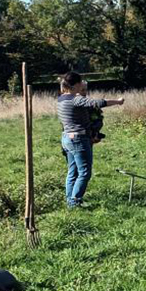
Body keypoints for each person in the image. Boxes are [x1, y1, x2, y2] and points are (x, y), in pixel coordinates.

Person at [56, 72, 124, 209]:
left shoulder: (61, 99)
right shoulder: (75, 100)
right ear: (75, 84)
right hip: (78, 139)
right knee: (85, 172)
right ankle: (75, 201)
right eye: (81, 82)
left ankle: (70, 201)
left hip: (67, 138)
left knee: (72, 172)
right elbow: (96, 103)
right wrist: (117, 101)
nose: (82, 84)